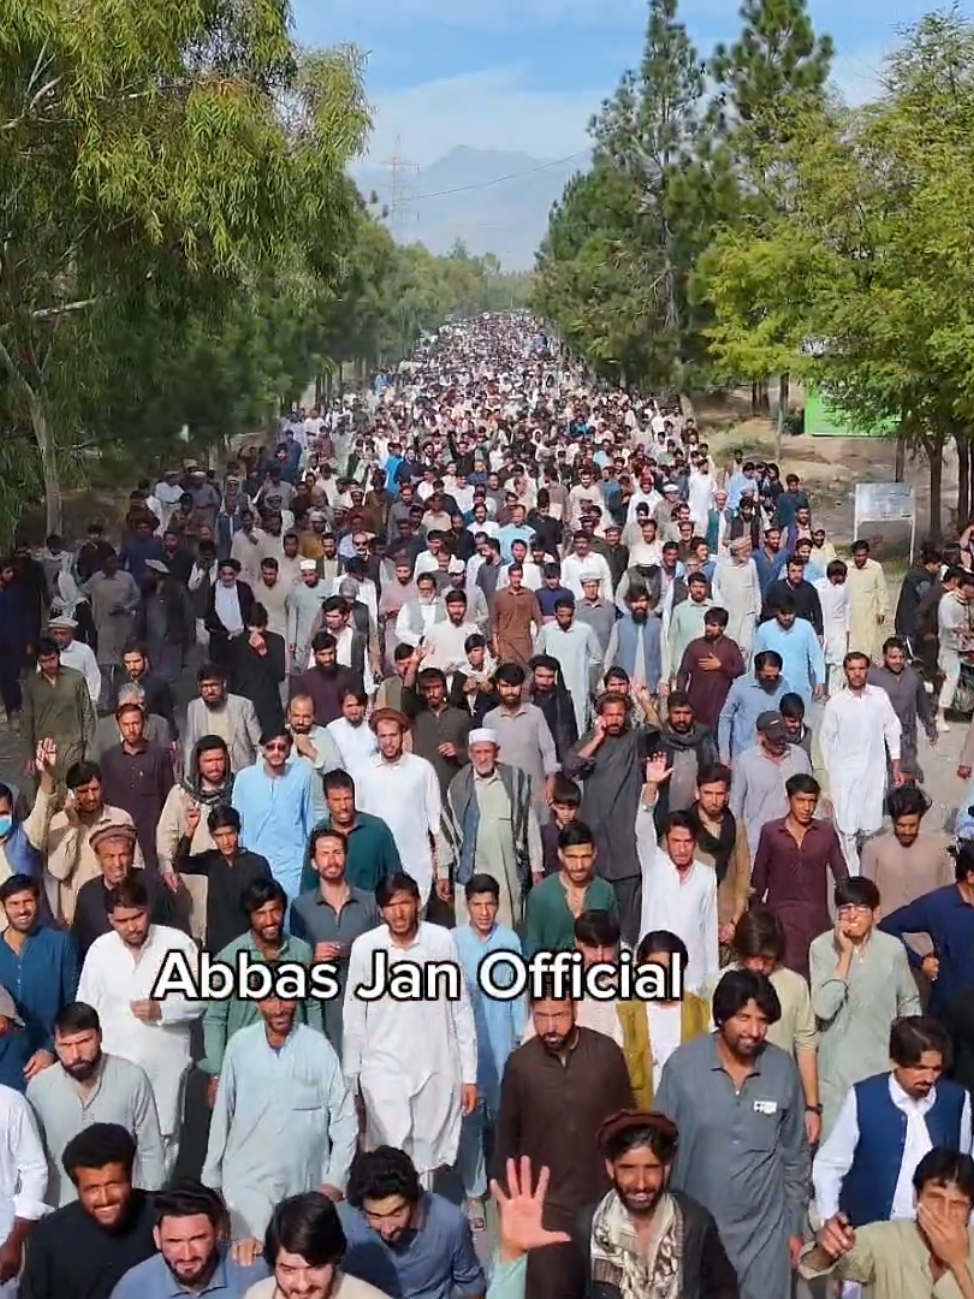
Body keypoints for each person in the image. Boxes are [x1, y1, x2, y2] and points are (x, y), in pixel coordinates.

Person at [655, 969, 810, 1299]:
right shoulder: (682, 1069)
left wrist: (794, 1227)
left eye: (762, 1021)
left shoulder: (782, 1069)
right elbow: (657, 1153)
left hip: (765, 1240)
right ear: (721, 1016)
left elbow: (795, 1157)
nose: (754, 1031)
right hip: (696, 1234)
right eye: (743, 1018)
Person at [494, 986, 634, 1299]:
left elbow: (627, 1127)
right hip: (546, 1205)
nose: (551, 1026)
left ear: (575, 1010)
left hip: (601, 1200)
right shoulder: (521, 1065)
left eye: (559, 1015)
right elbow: (507, 1139)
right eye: (541, 1016)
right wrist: (508, 1204)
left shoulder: (606, 1054)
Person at [342, 873, 477, 1189]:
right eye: (391, 905)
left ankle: (421, 1224)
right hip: (382, 1069)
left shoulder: (440, 941)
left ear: (417, 903)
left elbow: (460, 1009)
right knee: (389, 1153)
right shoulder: (366, 948)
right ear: (380, 910)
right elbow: (354, 1018)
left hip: (435, 1066)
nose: (399, 912)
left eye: (405, 903)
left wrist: (469, 1075)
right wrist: (352, 1081)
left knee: (427, 1155)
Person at [76, 875, 203, 1171]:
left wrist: (163, 1009)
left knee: (164, 1146)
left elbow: (202, 999)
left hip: (165, 1067)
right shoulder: (100, 950)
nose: (132, 926)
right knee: (115, 1146)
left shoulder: (177, 943)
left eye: (138, 916)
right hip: (113, 1069)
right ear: (110, 919)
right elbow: (85, 1008)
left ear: (148, 909)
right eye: (122, 920)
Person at [204, 996, 358, 1239]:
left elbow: (344, 1117)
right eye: (270, 1000)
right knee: (250, 1263)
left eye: (286, 998)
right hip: (246, 1182)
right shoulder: (240, 1045)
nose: (279, 1008)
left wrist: (336, 1180)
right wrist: (212, 1178)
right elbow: (223, 1113)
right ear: (257, 1002)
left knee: (300, 1264)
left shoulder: (317, 1046)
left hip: (305, 1182)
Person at [813, 1015, 971, 1229]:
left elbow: (963, 1172)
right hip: (872, 1234)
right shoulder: (864, 1097)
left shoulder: (956, 1101)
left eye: (936, 1069)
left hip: (936, 1236)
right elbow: (830, 1166)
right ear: (895, 1061)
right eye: (919, 1068)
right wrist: (829, 1221)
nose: (929, 1078)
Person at [572, 1110, 738, 1299]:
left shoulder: (695, 1223)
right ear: (611, 1168)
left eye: (651, 1168)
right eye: (628, 1169)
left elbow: (724, 1291)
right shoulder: (587, 1227)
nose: (640, 1183)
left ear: (666, 1168)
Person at [810, 876, 921, 1137]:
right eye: (845, 909)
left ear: (876, 914)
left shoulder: (892, 949)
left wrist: (906, 1052)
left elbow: (909, 1001)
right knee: (834, 1158)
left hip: (880, 1066)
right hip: (835, 1073)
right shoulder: (821, 947)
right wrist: (845, 955)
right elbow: (823, 1008)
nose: (851, 916)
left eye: (860, 909)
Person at [26, 1001, 164, 1207]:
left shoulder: (132, 1078)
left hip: (120, 1209)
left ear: (99, 1035)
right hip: (60, 1210)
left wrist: (150, 1207)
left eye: (84, 1041)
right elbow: (32, 1161)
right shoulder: (39, 1088)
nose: (75, 1054)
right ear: (55, 1044)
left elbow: (151, 1149)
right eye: (65, 1045)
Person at [800, 1147, 974, 1299]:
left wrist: (957, 1263)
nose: (944, 1212)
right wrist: (828, 1250)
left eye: (957, 1205)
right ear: (916, 1197)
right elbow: (817, 1266)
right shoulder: (887, 1238)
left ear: (970, 1210)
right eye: (936, 1198)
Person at [453, 874, 526, 1228]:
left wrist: (519, 1039)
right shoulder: (453, 943)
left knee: (504, 1120)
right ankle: (474, 1194)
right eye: (477, 905)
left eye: (490, 905)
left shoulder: (509, 940)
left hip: (502, 1043)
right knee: (470, 1123)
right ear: (467, 905)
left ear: (498, 906)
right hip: (468, 1049)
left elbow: (517, 997)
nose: (484, 912)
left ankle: (503, 1186)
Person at [20, 1123, 157, 1299]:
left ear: (130, 1178)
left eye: (113, 1184)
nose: (105, 1198)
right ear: (77, 1188)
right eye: (92, 1189)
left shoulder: (162, 1219)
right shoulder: (50, 1235)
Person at [336, 1146, 486, 1298]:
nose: (387, 1229)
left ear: (414, 1200)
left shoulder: (449, 1223)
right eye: (376, 1216)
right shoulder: (343, 1223)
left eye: (396, 1213)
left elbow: (472, 1285)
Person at [438, 728, 541, 929]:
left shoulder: (514, 781)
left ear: (496, 752)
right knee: (471, 928)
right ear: (470, 754)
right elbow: (447, 832)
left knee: (508, 925)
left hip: (507, 870)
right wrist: (443, 872)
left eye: (487, 752)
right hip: (472, 870)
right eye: (478, 752)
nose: (483, 758)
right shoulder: (458, 785)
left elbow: (530, 826)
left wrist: (537, 867)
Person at [749, 772, 849, 977]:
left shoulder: (825, 832)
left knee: (819, 977)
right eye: (801, 801)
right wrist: (755, 921)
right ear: (789, 800)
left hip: (817, 921)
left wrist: (847, 912)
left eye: (812, 801)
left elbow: (842, 876)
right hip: (781, 921)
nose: (807, 807)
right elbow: (759, 878)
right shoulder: (771, 832)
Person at [290, 828, 380, 1054]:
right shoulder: (301, 908)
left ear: (346, 857)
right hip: (323, 1013)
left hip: (367, 1010)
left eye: (338, 852)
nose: (332, 860)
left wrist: (356, 952)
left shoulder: (370, 903)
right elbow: (292, 966)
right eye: (325, 853)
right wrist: (312, 957)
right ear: (313, 862)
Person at [635, 756, 719, 994]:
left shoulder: (706, 876)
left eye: (687, 842)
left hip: (693, 978)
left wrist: (711, 981)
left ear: (694, 843)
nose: (681, 848)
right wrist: (652, 784)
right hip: (651, 972)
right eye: (676, 841)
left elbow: (709, 931)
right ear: (667, 842)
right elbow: (642, 827)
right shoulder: (654, 864)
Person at [109, 1179, 269, 1299]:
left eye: (198, 1239)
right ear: (157, 1238)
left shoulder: (253, 1274)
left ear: (218, 1233)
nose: (187, 1255)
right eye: (174, 1241)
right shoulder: (133, 1288)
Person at [820, 650, 904, 873]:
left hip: (873, 773)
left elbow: (892, 728)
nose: (857, 674)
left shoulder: (879, 697)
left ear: (867, 670)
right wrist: (827, 782)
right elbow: (825, 742)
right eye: (852, 669)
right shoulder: (836, 704)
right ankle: (853, 877)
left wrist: (895, 763)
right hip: (844, 777)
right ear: (846, 672)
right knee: (846, 830)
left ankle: (867, 873)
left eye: (861, 668)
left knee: (870, 828)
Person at [244, 1189, 392, 1299]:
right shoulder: (257, 1295)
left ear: (335, 1258)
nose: (303, 1285)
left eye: (315, 1268)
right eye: (289, 1270)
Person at [232, 729, 314, 900]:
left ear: (289, 749)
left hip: (294, 866)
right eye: (270, 747)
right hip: (254, 864)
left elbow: (310, 819)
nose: (276, 752)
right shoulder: (244, 778)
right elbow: (237, 823)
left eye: (281, 747)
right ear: (261, 749)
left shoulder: (302, 774)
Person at [524, 821, 617, 955]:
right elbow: (532, 946)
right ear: (560, 854)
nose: (579, 865)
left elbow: (613, 942)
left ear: (594, 853)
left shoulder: (605, 891)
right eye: (572, 857)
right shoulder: (540, 895)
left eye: (585, 857)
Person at [21, 637, 97, 784]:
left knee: (74, 791)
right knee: (46, 794)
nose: (49, 664)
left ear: (58, 656)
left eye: (52, 659)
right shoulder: (32, 685)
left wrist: (89, 749)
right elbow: (26, 720)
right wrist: (28, 753)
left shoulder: (75, 678)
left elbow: (87, 713)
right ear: (38, 661)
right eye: (44, 661)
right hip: (44, 748)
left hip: (73, 746)